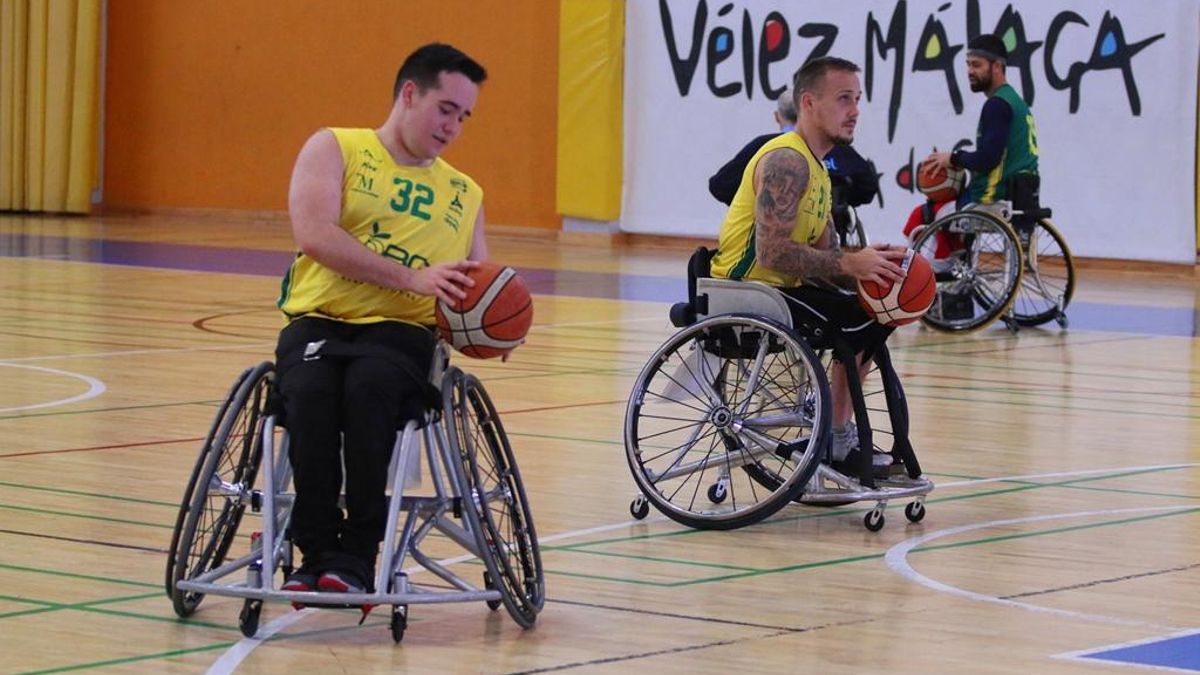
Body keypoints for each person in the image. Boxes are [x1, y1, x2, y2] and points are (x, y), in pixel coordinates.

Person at [273, 43, 489, 595]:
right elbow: (315, 235)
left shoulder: (465, 193)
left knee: (370, 392)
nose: (454, 126)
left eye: (464, 116)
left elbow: (477, 288)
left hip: (400, 336)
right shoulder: (335, 147)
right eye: (446, 108)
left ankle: (356, 554)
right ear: (409, 93)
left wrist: (487, 329)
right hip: (320, 320)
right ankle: (312, 550)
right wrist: (411, 277)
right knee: (313, 397)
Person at [707, 56, 908, 477]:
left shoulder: (818, 169)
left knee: (876, 310)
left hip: (778, 292)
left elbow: (828, 259)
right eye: (843, 99)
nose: (854, 110)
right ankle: (836, 437)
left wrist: (879, 267)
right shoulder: (788, 162)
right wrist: (852, 262)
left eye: (857, 100)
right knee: (861, 321)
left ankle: (836, 431)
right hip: (749, 291)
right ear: (809, 103)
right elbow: (773, 254)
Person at [905, 34, 1040, 244]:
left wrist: (953, 158)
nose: (970, 71)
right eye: (968, 65)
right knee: (950, 205)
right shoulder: (1016, 102)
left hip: (992, 197)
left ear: (997, 66)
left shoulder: (997, 104)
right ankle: (954, 264)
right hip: (1021, 195)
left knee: (923, 215)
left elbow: (988, 159)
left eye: (976, 65)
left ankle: (930, 271)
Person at [709, 86, 879, 213]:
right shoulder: (838, 149)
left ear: (777, 117)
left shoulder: (761, 147)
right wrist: (843, 202)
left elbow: (720, 186)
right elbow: (868, 186)